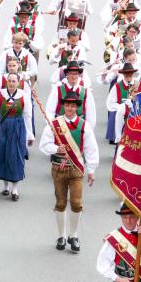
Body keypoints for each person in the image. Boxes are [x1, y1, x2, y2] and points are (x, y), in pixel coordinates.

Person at [38, 91, 98, 252]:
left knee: (77, 203)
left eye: (73, 106)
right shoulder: (54, 124)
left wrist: (91, 169)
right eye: (67, 105)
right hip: (59, 168)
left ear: (77, 107)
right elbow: (44, 145)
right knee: (61, 202)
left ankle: (74, 235)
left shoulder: (84, 126)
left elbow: (91, 148)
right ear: (63, 106)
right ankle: (61, 235)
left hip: (76, 169)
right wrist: (56, 148)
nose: (70, 108)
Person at [0, 73, 34, 200]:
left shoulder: (24, 96)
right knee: (2, 155)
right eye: (9, 81)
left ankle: (15, 188)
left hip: (17, 128)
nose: (11, 83)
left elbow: (27, 117)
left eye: (14, 81)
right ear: (6, 82)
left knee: (15, 156)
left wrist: (30, 135)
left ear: (18, 82)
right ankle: (5, 186)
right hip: (2, 128)